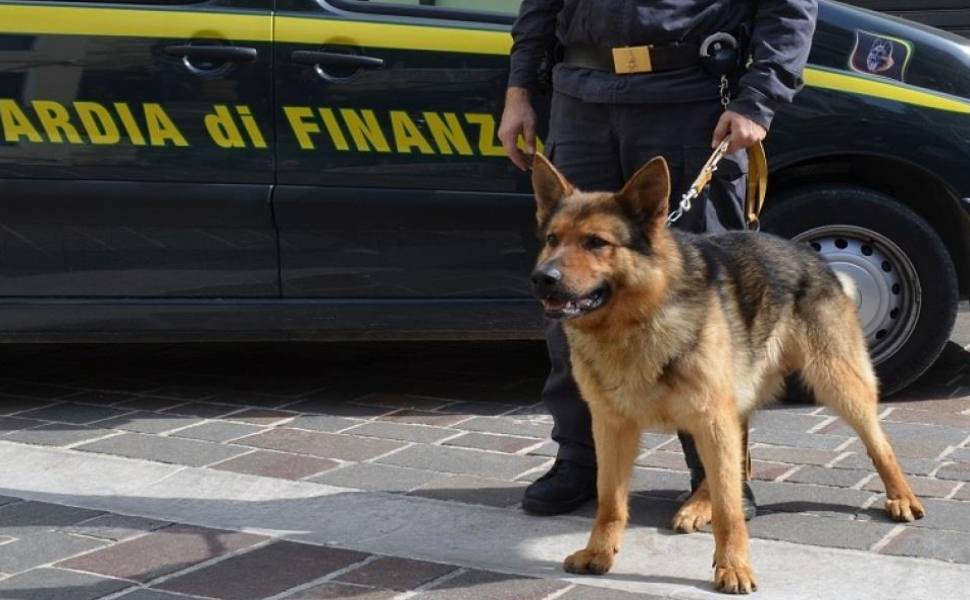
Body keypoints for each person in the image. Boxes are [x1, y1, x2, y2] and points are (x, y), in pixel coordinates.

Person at [498, 0, 818, 518]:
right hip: (582, 97)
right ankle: (581, 461)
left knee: (705, 309)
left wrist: (758, 99)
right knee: (571, 297)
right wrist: (519, 93)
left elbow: (789, 7)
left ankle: (715, 476)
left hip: (690, 99)